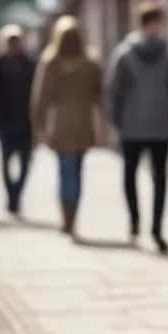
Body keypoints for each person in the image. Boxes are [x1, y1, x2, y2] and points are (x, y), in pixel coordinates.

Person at [106, 1, 168, 253]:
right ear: (158, 23)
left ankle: (134, 222)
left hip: (131, 126)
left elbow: (113, 91)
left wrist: (116, 121)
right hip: (161, 125)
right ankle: (157, 229)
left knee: (129, 175)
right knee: (160, 178)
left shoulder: (124, 54)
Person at [30, 16, 103, 238]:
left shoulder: (50, 62)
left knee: (65, 170)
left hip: (60, 123)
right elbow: (99, 95)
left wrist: (39, 126)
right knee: (77, 171)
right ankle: (73, 211)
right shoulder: (90, 63)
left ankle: (66, 213)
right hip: (83, 122)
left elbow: (40, 98)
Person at [0, 24, 37, 216]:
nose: (14, 45)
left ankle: (16, 194)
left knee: (26, 164)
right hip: (5, 121)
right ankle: (11, 196)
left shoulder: (30, 64)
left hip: (26, 122)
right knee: (6, 163)